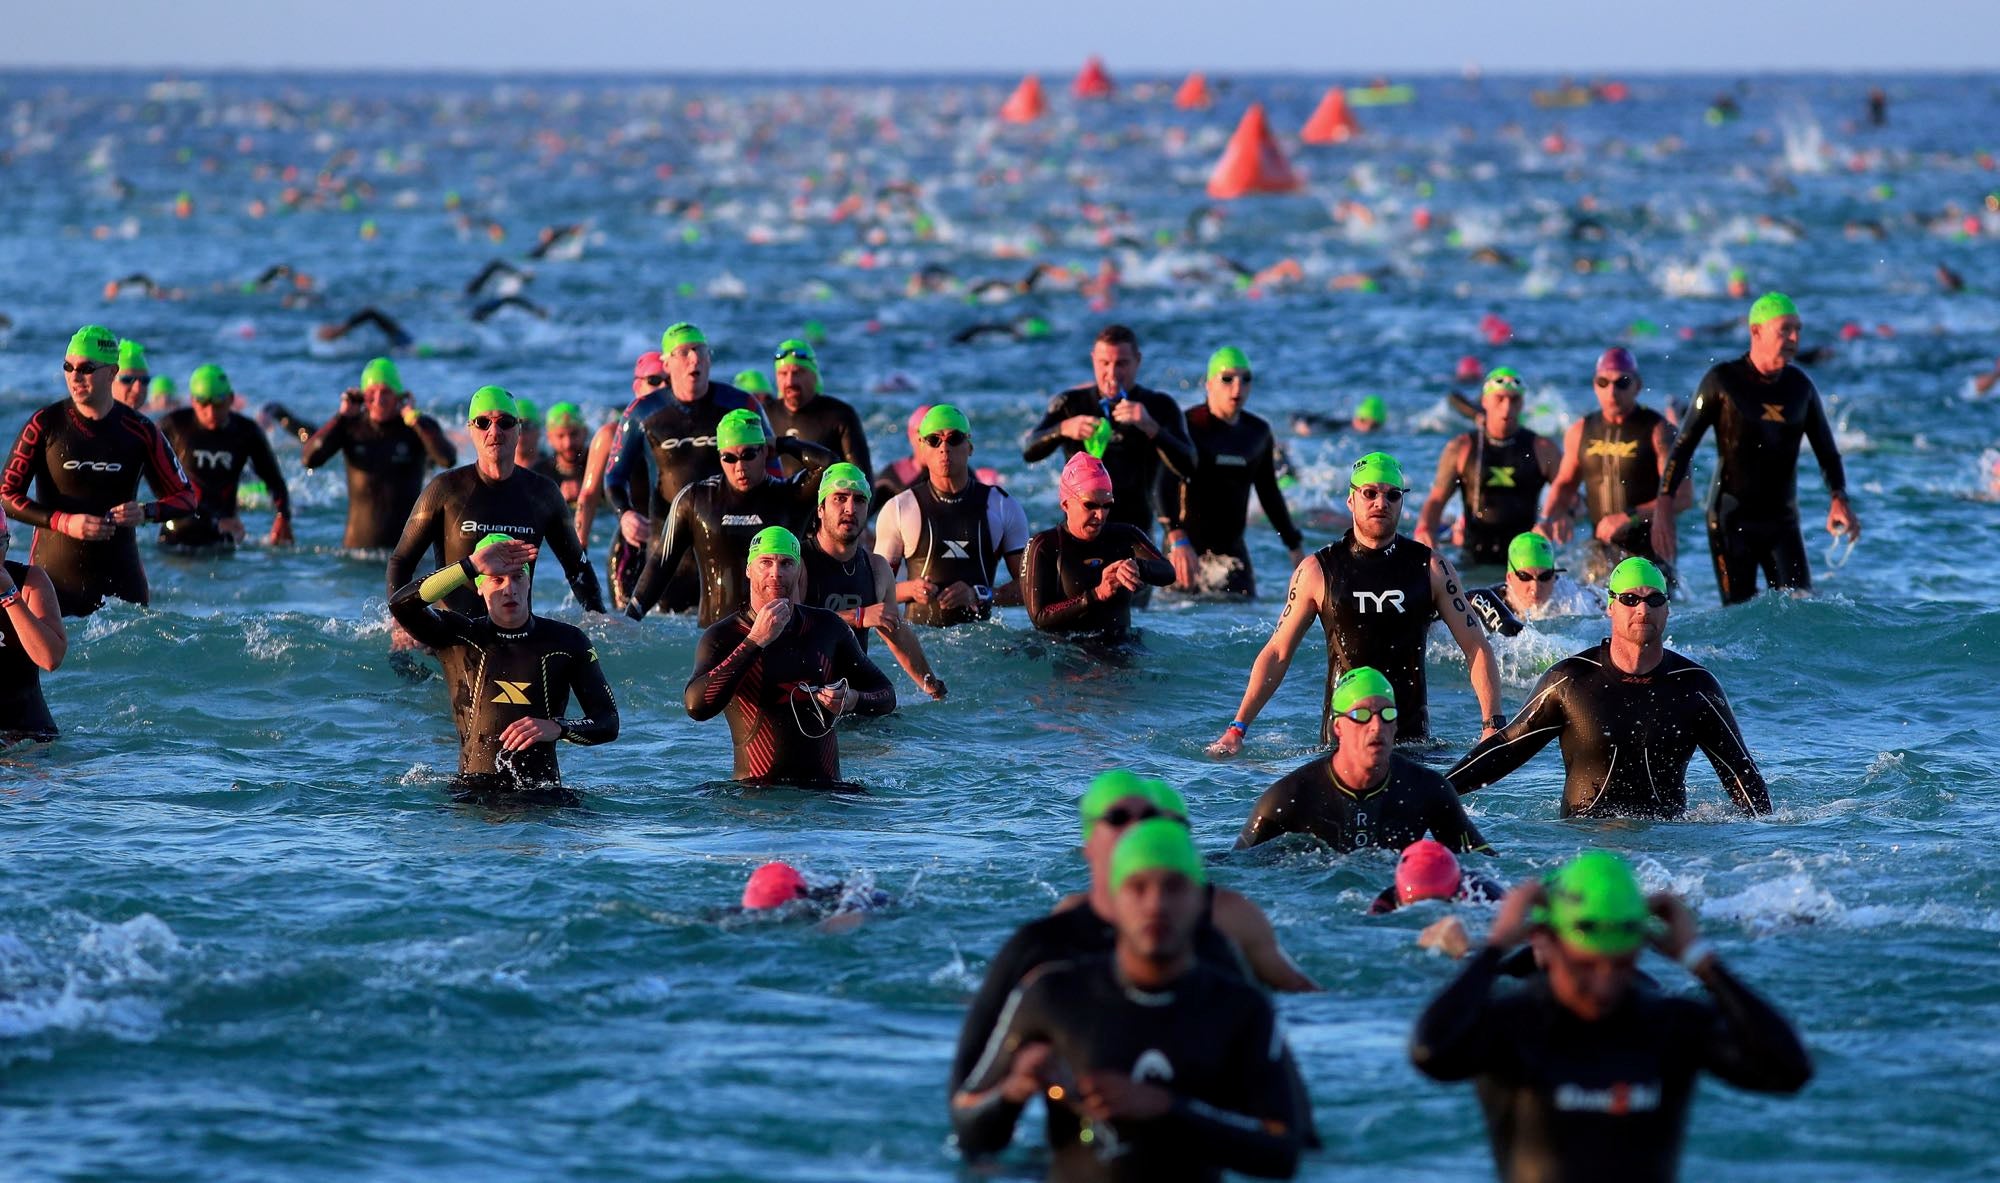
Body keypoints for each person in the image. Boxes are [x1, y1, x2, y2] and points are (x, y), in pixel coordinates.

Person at [1410, 850, 1813, 1182]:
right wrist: (1495, 946)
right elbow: (1431, 1051)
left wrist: (1702, 962)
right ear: (1546, 943)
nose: (1604, 980)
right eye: (1586, 965)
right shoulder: (1515, 1026)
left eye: (1620, 964)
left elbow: (1788, 1069)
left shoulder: (1671, 1024)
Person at [952, 818, 1306, 1181]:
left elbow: (1283, 1154)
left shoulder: (1239, 1008)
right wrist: (1013, 1092)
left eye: (1174, 887)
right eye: (1138, 888)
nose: (1156, 904)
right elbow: (968, 1131)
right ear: (1112, 901)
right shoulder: (1052, 996)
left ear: (1201, 901)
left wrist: (1164, 1108)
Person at [1209, 452, 1503, 753]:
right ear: (1351, 500)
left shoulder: (1432, 569)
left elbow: (1476, 645)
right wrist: (1237, 729)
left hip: (1412, 745)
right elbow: (1278, 652)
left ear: (1402, 502)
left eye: (1392, 495)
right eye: (1370, 493)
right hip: (1339, 746)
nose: (1381, 502)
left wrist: (1492, 725)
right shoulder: (1318, 570)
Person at [1447, 558, 1771, 819]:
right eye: (1630, 599)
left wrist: (1769, 842)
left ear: (1667, 608)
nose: (1642, 609)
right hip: (1584, 845)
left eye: (1653, 599)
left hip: (1670, 851)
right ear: (1610, 607)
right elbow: (1506, 748)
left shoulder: (1694, 686)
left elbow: (1741, 773)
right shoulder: (1570, 681)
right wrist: (1438, 789)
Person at [1652, 292, 1860, 604]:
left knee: (1800, 606)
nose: (1794, 337)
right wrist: (1664, 507)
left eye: (1798, 329)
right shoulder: (1722, 382)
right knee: (1738, 613)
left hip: (1782, 520)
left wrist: (1838, 499)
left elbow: (1827, 451)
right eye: (1785, 329)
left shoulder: (1800, 387)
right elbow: (1683, 446)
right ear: (1756, 332)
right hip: (1730, 519)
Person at [388, 533, 618, 801]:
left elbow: (608, 723)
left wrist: (559, 727)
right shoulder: (458, 637)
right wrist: (471, 565)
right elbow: (401, 605)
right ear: (479, 587)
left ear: (529, 582)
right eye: (497, 579)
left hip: (543, 797)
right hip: (473, 795)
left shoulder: (567, 642)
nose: (509, 589)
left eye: (518, 577)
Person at [0, 325, 201, 616]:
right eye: (68, 367)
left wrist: (147, 512)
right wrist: (63, 522)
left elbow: (187, 498)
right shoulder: (45, 424)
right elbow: (6, 496)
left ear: (112, 372)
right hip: (52, 587)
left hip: (124, 592)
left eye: (87, 368)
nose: (75, 377)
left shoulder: (141, 430)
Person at [682, 526, 896, 785]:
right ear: (749, 569)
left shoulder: (827, 627)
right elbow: (696, 707)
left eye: (786, 563)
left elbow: (886, 695)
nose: (776, 573)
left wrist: (851, 700)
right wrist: (755, 641)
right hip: (757, 798)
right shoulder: (725, 636)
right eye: (766, 563)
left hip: (827, 795)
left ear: (798, 570)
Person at [386, 386, 605, 618]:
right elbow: (401, 561)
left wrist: (600, 618)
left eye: (506, 422)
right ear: (470, 430)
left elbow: (577, 567)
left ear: (519, 430)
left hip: (516, 636)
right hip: (453, 637)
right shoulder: (444, 489)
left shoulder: (543, 493)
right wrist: (399, 623)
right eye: (483, 422)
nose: (495, 431)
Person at [602, 323, 774, 615]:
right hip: (669, 551)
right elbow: (614, 477)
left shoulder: (739, 404)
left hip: (732, 550)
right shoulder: (643, 412)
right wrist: (625, 513)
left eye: (700, 351)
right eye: (684, 353)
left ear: (709, 359)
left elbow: (774, 469)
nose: (694, 359)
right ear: (667, 364)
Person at [1237, 668, 1495, 855]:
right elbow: (1235, 870)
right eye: (1362, 715)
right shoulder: (1290, 797)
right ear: (1338, 727)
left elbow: (1482, 865)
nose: (1376, 726)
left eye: (1387, 714)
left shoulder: (1428, 789)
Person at [625, 409, 833, 626]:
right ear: (720, 457)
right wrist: (630, 618)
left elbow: (830, 466)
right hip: (715, 635)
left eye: (748, 455)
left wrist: (783, 444)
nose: (740, 466)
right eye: (730, 458)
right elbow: (662, 562)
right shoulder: (695, 499)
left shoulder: (790, 497)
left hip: (780, 630)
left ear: (765, 452)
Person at [1019, 324, 1196, 551]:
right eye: (1104, 363)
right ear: (1093, 360)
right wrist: (1062, 429)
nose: (1112, 373)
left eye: (1122, 363)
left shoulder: (1158, 406)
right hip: (1079, 534)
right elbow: (1029, 451)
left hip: (1135, 535)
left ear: (1137, 361)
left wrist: (1151, 427)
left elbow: (1189, 465)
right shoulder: (1071, 404)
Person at [1163, 346, 1305, 596]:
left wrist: (1294, 546)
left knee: (1247, 616)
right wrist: (1176, 537)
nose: (1237, 387)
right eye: (1227, 378)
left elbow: (1269, 493)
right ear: (1209, 384)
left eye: (1245, 379)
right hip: (1186, 551)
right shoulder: (1187, 426)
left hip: (1232, 555)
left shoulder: (1257, 432)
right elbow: (1163, 484)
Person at [801, 462, 947, 700]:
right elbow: (786, 625)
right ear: (820, 508)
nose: (850, 508)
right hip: (805, 698)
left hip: (852, 699)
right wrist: (857, 617)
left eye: (859, 500)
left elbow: (896, 632)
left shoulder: (877, 569)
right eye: (839, 498)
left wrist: (933, 688)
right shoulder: (798, 562)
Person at [1539, 348, 1688, 579]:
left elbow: (1683, 496)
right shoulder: (1580, 431)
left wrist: (1630, 516)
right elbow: (1565, 484)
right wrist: (1547, 520)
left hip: (1650, 557)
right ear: (1594, 385)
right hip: (1600, 554)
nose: (1612, 391)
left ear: (1637, 386)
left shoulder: (1659, 431)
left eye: (1622, 382)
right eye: (1603, 382)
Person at [875, 405, 1029, 627]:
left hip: (980, 644)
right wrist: (911, 589)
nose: (944, 448)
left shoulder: (1002, 506)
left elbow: (1030, 588)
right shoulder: (900, 508)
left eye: (954, 438)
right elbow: (875, 590)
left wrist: (981, 594)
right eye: (934, 440)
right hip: (921, 640)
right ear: (922, 447)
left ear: (970, 447)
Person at [300, 356, 458, 550]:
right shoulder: (351, 427)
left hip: (406, 554)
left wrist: (415, 419)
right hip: (357, 554)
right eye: (371, 393)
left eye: (386, 392)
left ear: (399, 396)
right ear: (362, 396)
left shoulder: (414, 428)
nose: (378, 399)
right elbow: (309, 459)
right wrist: (341, 417)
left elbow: (447, 459)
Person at [1023, 453, 1174, 645]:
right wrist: (1096, 595)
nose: (1100, 515)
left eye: (1106, 505)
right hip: (1070, 653)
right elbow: (1040, 617)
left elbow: (1168, 572)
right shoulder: (1044, 546)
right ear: (1065, 503)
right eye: (1090, 505)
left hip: (1122, 647)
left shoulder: (1125, 536)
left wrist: (1137, 567)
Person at [1416, 368, 1561, 567]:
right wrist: (1425, 529)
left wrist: (1552, 520)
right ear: (1484, 401)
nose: (1507, 407)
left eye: (1514, 400)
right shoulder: (1462, 448)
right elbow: (1436, 500)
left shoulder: (1543, 449)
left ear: (1523, 403)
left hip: (1526, 562)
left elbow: (1571, 498)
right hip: (1472, 557)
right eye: (1499, 399)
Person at [158, 364, 294, 551]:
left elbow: (274, 479)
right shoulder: (173, 426)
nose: (211, 412)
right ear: (192, 401)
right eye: (203, 403)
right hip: (176, 535)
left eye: (218, 403)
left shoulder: (246, 431)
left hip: (224, 538)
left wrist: (283, 517)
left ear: (231, 399)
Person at [577, 352, 667, 607]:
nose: (662, 388)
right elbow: (589, 495)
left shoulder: (687, 435)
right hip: (632, 547)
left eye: (668, 382)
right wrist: (578, 555)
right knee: (625, 629)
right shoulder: (610, 435)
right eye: (654, 380)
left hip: (677, 547)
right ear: (636, 385)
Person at [0, 519, 68, 747]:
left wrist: (10, 597)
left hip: (29, 737)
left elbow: (50, 658)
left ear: (7, 544)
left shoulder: (30, 582)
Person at [764, 339, 871, 480]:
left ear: (814, 376)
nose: (790, 381)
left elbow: (863, 480)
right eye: (783, 374)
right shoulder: (764, 415)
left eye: (798, 373)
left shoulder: (840, 415)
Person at [1463, 532, 1598, 638]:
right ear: (1509, 577)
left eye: (1545, 577)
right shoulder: (1493, 601)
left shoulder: (1574, 595)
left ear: (1554, 577)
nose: (1535, 587)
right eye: (1525, 577)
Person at [1365, 838, 1506, 916]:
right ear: (1398, 897)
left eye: (1439, 902)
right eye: (1415, 904)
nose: (1428, 910)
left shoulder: (1484, 893)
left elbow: (1526, 916)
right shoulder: (1384, 904)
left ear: (1461, 892)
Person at [532, 401, 590, 512]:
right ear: (549, 438)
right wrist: (557, 499)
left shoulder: (600, 465)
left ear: (585, 432)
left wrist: (590, 493)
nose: (568, 443)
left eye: (574, 434)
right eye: (560, 436)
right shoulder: (539, 473)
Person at [112, 339, 151, 411]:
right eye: (127, 380)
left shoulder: (144, 421)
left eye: (145, 380)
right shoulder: (93, 419)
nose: (137, 389)